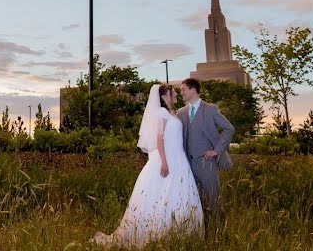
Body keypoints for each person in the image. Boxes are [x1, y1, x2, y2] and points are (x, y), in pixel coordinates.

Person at [92, 83, 203, 248]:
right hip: (167, 159)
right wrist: (164, 162)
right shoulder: (162, 113)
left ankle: (180, 233)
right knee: (161, 195)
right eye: (173, 94)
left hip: (179, 159)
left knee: (177, 194)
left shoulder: (173, 113)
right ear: (165, 96)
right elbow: (159, 139)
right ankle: (156, 234)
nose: (176, 96)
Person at [177, 78, 235, 221]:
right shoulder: (181, 112)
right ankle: (203, 231)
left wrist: (217, 150)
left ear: (192, 90)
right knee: (195, 202)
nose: (181, 92)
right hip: (188, 164)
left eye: (183, 89)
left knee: (214, 200)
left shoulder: (210, 109)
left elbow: (229, 128)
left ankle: (221, 231)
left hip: (207, 162)